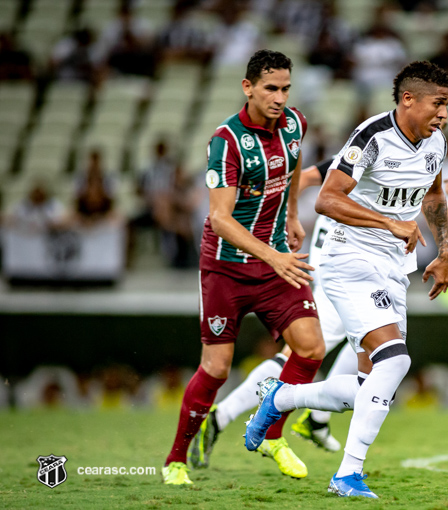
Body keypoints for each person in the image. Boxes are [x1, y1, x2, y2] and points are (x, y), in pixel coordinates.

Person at [244, 61, 448, 498]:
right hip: (350, 259)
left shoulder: (436, 144)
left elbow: (433, 196)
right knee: (395, 362)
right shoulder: (372, 137)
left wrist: (445, 250)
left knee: (366, 389)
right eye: (438, 103)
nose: (443, 115)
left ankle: (280, 399)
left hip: (394, 268)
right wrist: (388, 223)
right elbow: (326, 198)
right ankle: (347, 475)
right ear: (408, 99)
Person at [189, 158, 448, 473]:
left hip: (357, 268)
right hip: (349, 270)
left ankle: (311, 420)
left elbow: (304, 179)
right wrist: (289, 216)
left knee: (369, 354)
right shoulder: (366, 157)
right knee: (342, 357)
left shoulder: (386, 162)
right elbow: (304, 181)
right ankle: (233, 414)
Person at [161, 49, 327, 486]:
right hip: (227, 270)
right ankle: (175, 459)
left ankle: (271, 433)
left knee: (311, 348)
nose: (279, 97)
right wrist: (273, 255)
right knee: (216, 368)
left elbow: (291, 173)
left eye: (286, 89)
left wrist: (291, 216)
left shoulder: (295, 123)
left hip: (274, 264)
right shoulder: (226, 141)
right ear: (248, 87)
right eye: (271, 88)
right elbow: (219, 218)